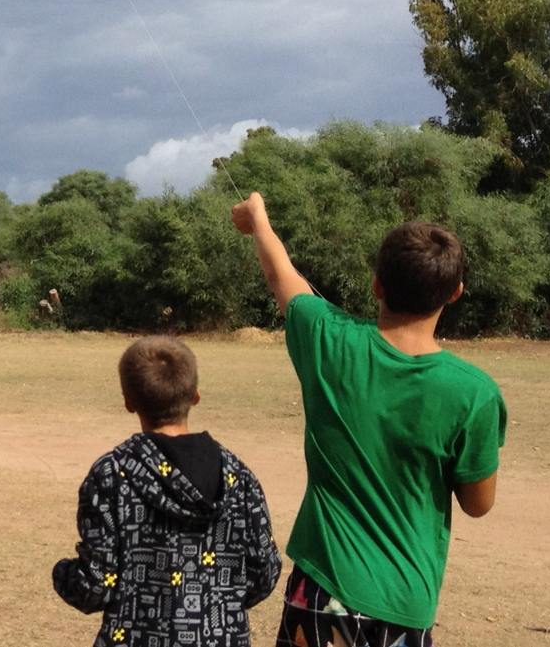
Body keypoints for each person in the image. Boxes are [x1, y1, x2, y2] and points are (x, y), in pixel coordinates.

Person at [231, 192, 505, 647]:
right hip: (406, 600)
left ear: (377, 285)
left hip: (321, 591)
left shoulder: (327, 340)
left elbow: (280, 275)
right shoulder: (474, 392)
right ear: (455, 293)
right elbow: (478, 503)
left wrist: (259, 216)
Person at [54, 336, 282, 646]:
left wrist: (63, 573)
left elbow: (95, 585)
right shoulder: (238, 476)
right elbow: (264, 572)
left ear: (129, 402)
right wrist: (218, 600)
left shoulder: (111, 475)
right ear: (196, 396)